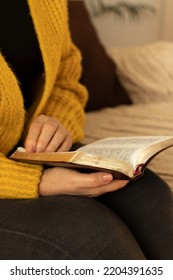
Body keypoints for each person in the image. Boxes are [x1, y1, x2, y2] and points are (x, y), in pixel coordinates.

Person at [0, 0, 173, 260]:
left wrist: (55, 120)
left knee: (145, 193)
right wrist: (35, 182)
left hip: (24, 153)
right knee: (83, 233)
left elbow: (65, 75)